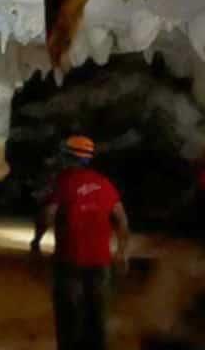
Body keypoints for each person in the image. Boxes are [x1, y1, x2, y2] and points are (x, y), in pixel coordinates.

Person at [31, 135, 131, 350]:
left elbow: (48, 214)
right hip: (100, 262)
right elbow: (122, 219)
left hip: (70, 261)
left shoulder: (62, 182)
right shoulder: (105, 184)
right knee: (97, 318)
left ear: (68, 157)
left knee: (69, 320)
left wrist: (37, 240)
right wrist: (122, 252)